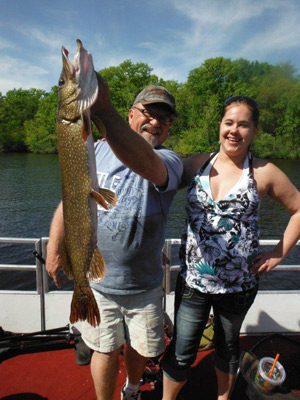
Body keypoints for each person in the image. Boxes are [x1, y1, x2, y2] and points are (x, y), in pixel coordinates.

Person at [46, 77, 183, 400]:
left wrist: (104, 111)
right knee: (104, 350)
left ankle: (132, 388)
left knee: (140, 347)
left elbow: (147, 164)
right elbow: (70, 201)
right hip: (97, 282)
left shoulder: (170, 160)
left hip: (144, 285)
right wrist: (54, 249)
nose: (156, 122)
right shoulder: (92, 149)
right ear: (131, 114)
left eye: (164, 118)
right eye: (149, 112)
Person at [161, 95, 300, 400]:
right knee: (182, 351)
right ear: (220, 125)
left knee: (227, 347)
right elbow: (159, 182)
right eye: (229, 122)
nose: (234, 130)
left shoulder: (264, 172)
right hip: (194, 284)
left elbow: (299, 209)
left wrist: (279, 253)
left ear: (254, 131)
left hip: (239, 287)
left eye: (243, 124)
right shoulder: (197, 164)